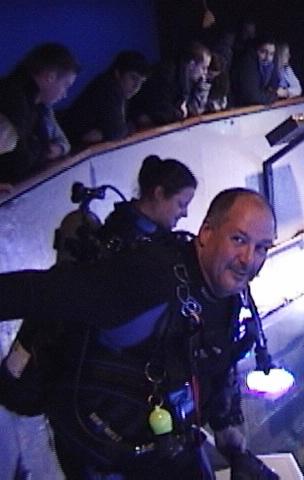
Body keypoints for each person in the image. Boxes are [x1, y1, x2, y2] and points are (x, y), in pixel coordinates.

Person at [0, 188, 277, 479]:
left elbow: (216, 360)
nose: (249, 259)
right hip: (99, 448)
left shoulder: (229, 293)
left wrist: (232, 441)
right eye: (239, 239)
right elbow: (45, 292)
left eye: (262, 248)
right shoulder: (149, 275)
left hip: (163, 443)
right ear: (206, 232)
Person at [0, 43, 78, 183]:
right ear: (50, 77)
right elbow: (18, 161)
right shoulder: (13, 99)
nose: (65, 94)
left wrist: (46, 149)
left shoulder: (40, 105)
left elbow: (60, 143)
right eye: (66, 85)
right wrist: (42, 150)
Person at [62, 51, 150, 146]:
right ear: (118, 73)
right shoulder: (107, 88)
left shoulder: (122, 90)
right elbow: (118, 131)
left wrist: (105, 134)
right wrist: (127, 127)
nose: (136, 86)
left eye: (141, 82)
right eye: (133, 78)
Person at [130, 41, 212, 127]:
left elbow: (194, 109)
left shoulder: (189, 79)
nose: (204, 73)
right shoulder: (165, 74)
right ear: (192, 64)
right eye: (203, 68)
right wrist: (180, 113)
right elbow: (159, 110)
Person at [232, 36, 287, 106]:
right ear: (255, 50)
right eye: (263, 52)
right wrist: (275, 94)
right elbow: (253, 96)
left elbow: (274, 86)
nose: (267, 58)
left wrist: (272, 93)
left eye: (271, 54)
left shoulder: (271, 64)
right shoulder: (247, 64)